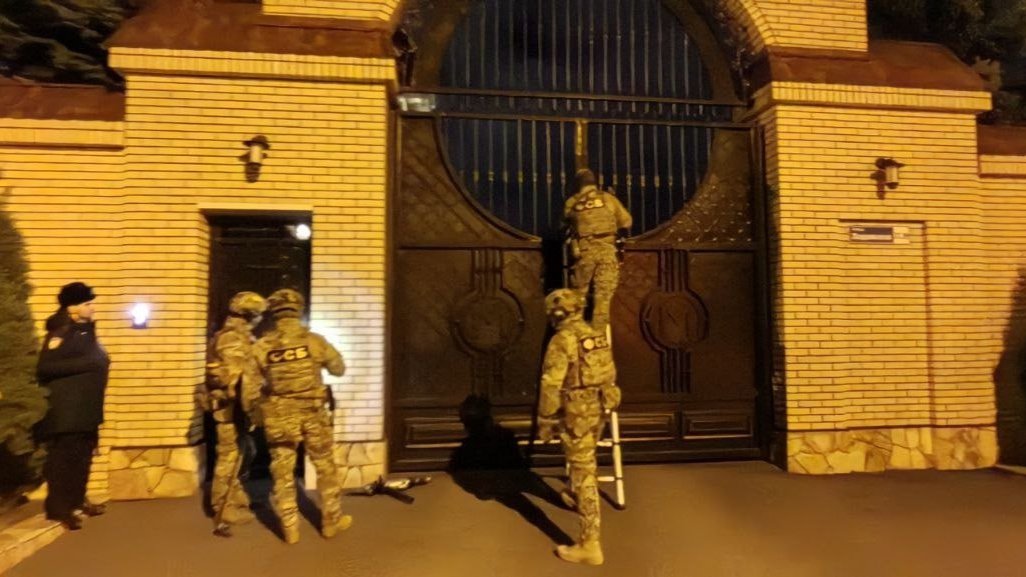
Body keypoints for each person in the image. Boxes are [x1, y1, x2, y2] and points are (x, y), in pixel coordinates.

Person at [252, 288, 349, 544]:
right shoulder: (314, 341)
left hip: (279, 416)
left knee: (282, 472)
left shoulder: (262, 346)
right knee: (325, 467)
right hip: (313, 413)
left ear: (274, 314)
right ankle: (331, 522)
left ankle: (290, 529)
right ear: (298, 310)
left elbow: (251, 386)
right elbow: (339, 369)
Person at [536, 289, 622, 565]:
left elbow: (551, 384)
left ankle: (590, 544)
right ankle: (575, 495)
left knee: (585, 473)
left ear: (554, 314)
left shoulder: (562, 340)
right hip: (597, 410)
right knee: (584, 462)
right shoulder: (595, 335)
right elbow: (608, 372)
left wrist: (545, 420)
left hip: (575, 415)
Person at [36, 282, 110, 530]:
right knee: (64, 462)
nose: (93, 307)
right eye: (88, 303)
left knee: (82, 460)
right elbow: (45, 367)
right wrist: (89, 363)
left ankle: (77, 502)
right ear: (72, 307)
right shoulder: (61, 331)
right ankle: (59, 509)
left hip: (86, 411)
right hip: (68, 412)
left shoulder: (83, 330)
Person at [205, 291, 266, 537]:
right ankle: (223, 507)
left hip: (239, 408)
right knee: (229, 457)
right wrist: (253, 407)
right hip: (233, 409)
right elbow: (238, 379)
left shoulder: (241, 336)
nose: (261, 318)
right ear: (249, 314)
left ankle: (237, 497)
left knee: (246, 452)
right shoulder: (232, 338)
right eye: (258, 314)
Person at [564, 168, 633, 329]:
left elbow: (564, 222)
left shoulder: (572, 202)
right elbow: (627, 221)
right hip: (607, 251)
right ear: (595, 183)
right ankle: (599, 336)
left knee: (577, 296)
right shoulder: (608, 199)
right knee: (604, 299)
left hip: (584, 253)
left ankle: (574, 334)